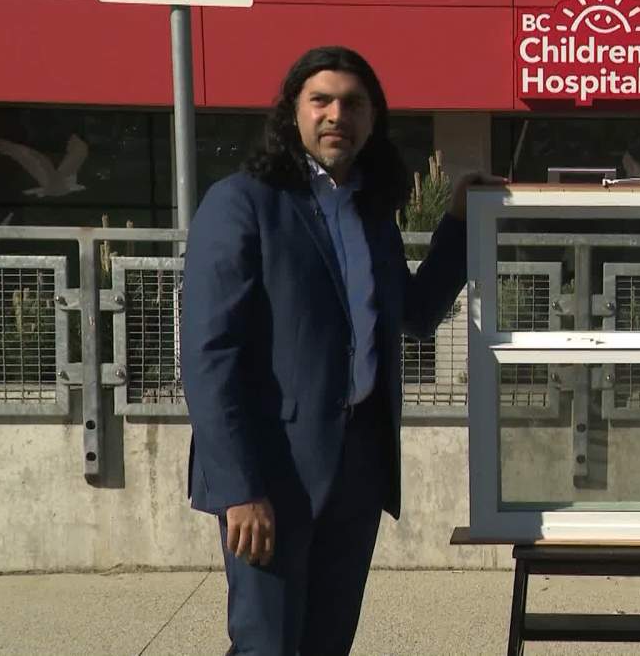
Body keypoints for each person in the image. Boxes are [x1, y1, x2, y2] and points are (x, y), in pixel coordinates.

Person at [180, 45, 498, 655]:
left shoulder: (369, 212)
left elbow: (414, 313)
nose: (336, 115)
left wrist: (459, 223)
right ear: (292, 113)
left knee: (327, 644)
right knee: (266, 645)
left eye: (353, 104)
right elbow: (209, 354)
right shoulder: (243, 201)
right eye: (320, 100)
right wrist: (239, 488)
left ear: (372, 119)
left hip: (358, 468)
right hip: (272, 473)